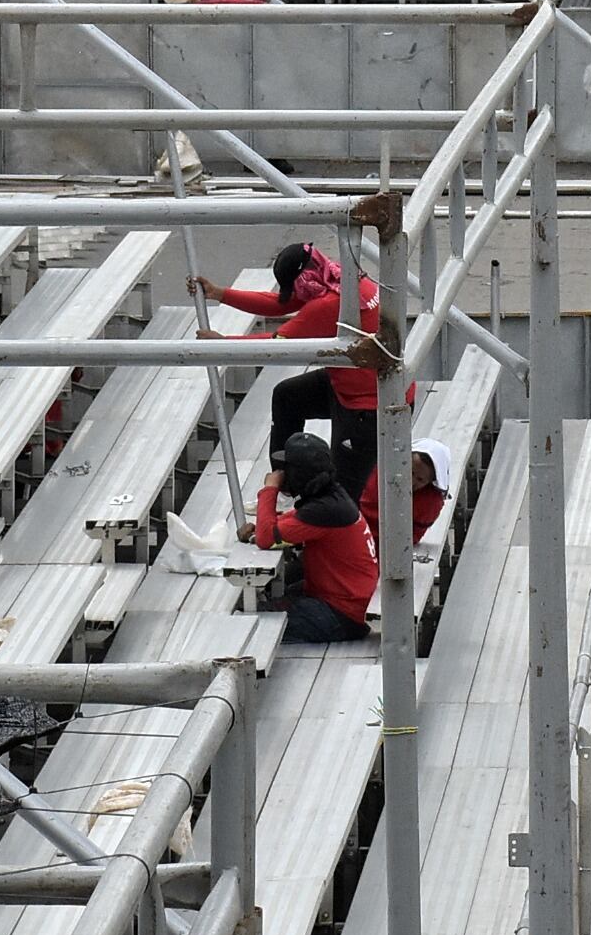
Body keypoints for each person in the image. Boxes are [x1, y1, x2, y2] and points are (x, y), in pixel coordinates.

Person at [192, 242, 387, 493]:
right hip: (356, 384)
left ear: (303, 279)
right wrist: (220, 293)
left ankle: (325, 517)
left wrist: (224, 343)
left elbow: (276, 345)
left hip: (367, 406)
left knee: (346, 493)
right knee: (288, 397)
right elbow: (281, 303)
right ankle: (285, 484)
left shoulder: (326, 306)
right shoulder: (339, 277)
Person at [248, 433, 379, 643]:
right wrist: (259, 525)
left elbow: (266, 538)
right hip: (342, 604)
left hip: (340, 615)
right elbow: (287, 523)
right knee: (267, 601)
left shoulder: (325, 509)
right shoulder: (332, 496)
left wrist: (270, 489)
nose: (281, 474)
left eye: (286, 469)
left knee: (255, 625)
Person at [359, 436, 454, 547]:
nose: (411, 481)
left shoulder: (431, 502)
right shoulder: (380, 472)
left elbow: (412, 537)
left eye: (420, 479)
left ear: (430, 482)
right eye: (410, 472)